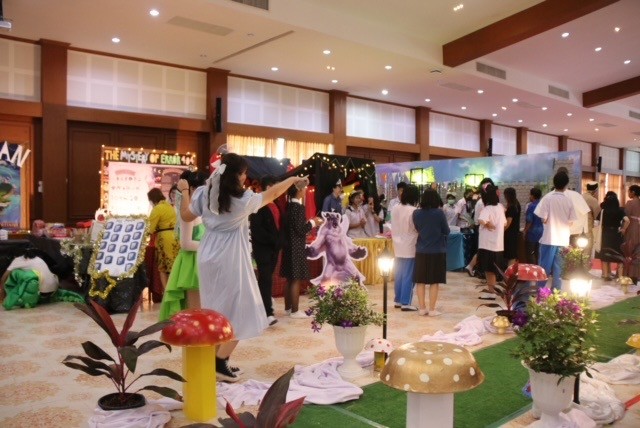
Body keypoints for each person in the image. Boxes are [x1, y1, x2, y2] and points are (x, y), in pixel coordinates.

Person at [179, 153, 309, 382]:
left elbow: (186, 216)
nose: (245, 177)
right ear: (238, 175)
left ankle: (218, 360)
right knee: (242, 310)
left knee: (215, 309)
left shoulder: (204, 193)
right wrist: (291, 180)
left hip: (207, 255)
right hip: (231, 258)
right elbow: (272, 194)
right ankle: (219, 362)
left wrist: (184, 192)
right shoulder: (242, 200)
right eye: (244, 173)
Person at [158, 171, 207, 321]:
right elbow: (185, 244)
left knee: (202, 309)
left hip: (200, 260)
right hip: (191, 264)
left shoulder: (199, 210)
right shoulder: (188, 211)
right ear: (193, 189)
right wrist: (210, 245)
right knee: (195, 312)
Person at [280, 184, 323, 319]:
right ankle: (295, 311)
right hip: (296, 247)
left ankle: (288, 308)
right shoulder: (298, 207)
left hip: (288, 246)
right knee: (295, 279)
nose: (305, 190)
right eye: (304, 188)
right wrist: (313, 223)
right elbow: (300, 229)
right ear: (299, 190)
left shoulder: (288, 206)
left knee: (290, 279)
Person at [534, 171, 577, 290]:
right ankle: (556, 294)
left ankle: (541, 292)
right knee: (559, 269)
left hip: (549, 238)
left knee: (544, 268)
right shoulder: (568, 201)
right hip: (563, 240)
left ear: (554, 183)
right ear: (566, 185)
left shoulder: (547, 198)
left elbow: (543, 219)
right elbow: (571, 222)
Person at [250, 176, 282, 326]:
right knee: (265, 279)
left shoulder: (275, 204)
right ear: (269, 187)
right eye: (277, 186)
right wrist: (273, 240)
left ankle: (263, 307)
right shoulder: (258, 204)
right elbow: (257, 230)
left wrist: (279, 241)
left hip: (273, 248)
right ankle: (267, 312)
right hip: (263, 248)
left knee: (267, 279)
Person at [412, 189, 449, 316]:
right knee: (434, 281)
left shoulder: (416, 213)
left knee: (420, 280)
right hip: (437, 250)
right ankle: (432, 309)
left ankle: (422, 308)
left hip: (421, 250)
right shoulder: (439, 213)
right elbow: (446, 230)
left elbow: (417, 228)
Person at [390, 184, 420, 311]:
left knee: (399, 273)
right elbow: (415, 228)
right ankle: (406, 302)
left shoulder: (395, 208)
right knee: (409, 274)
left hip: (397, 244)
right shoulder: (413, 210)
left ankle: (398, 299)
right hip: (410, 245)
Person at [477, 185, 507, 299]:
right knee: (493, 270)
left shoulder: (487, 209)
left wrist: (488, 224)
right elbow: (504, 223)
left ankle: (491, 292)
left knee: (489, 270)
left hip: (487, 244)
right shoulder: (500, 207)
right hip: (498, 244)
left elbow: (481, 220)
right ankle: (491, 291)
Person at [147, 187, 179, 292]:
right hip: (174, 236)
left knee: (163, 267)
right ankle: (175, 290)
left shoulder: (157, 209)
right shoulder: (169, 206)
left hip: (164, 238)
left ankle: (167, 292)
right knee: (174, 265)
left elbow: (150, 228)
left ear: (152, 199)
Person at [596, 191, 629, 281]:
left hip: (606, 234)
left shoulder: (603, 211)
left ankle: (606, 275)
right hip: (616, 234)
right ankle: (620, 276)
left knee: (605, 254)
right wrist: (623, 229)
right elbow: (627, 220)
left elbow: (597, 223)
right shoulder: (620, 211)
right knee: (619, 254)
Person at [623, 185, 640, 283]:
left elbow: (626, 217)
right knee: (638, 252)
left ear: (633, 192)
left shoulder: (630, 203)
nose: (628, 193)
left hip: (632, 227)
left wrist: (623, 228)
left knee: (629, 250)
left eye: (629, 192)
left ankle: (629, 274)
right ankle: (636, 275)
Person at [523, 187, 543, 264]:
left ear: (532, 196)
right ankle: (538, 268)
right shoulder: (542, 205)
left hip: (532, 233)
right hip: (541, 233)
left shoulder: (531, 206)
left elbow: (529, 221)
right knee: (538, 254)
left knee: (530, 253)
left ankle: (532, 269)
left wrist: (525, 231)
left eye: (530, 195)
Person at [582, 182, 601, 258]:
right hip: (587, 227)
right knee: (587, 248)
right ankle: (585, 264)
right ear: (595, 190)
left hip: (577, 227)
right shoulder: (593, 200)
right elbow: (598, 214)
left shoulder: (580, 196)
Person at [503, 187, 521, 266]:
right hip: (514, 232)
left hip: (510, 234)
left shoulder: (512, 207)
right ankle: (510, 271)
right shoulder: (516, 204)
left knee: (511, 255)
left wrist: (501, 231)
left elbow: (508, 222)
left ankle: (509, 271)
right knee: (512, 254)